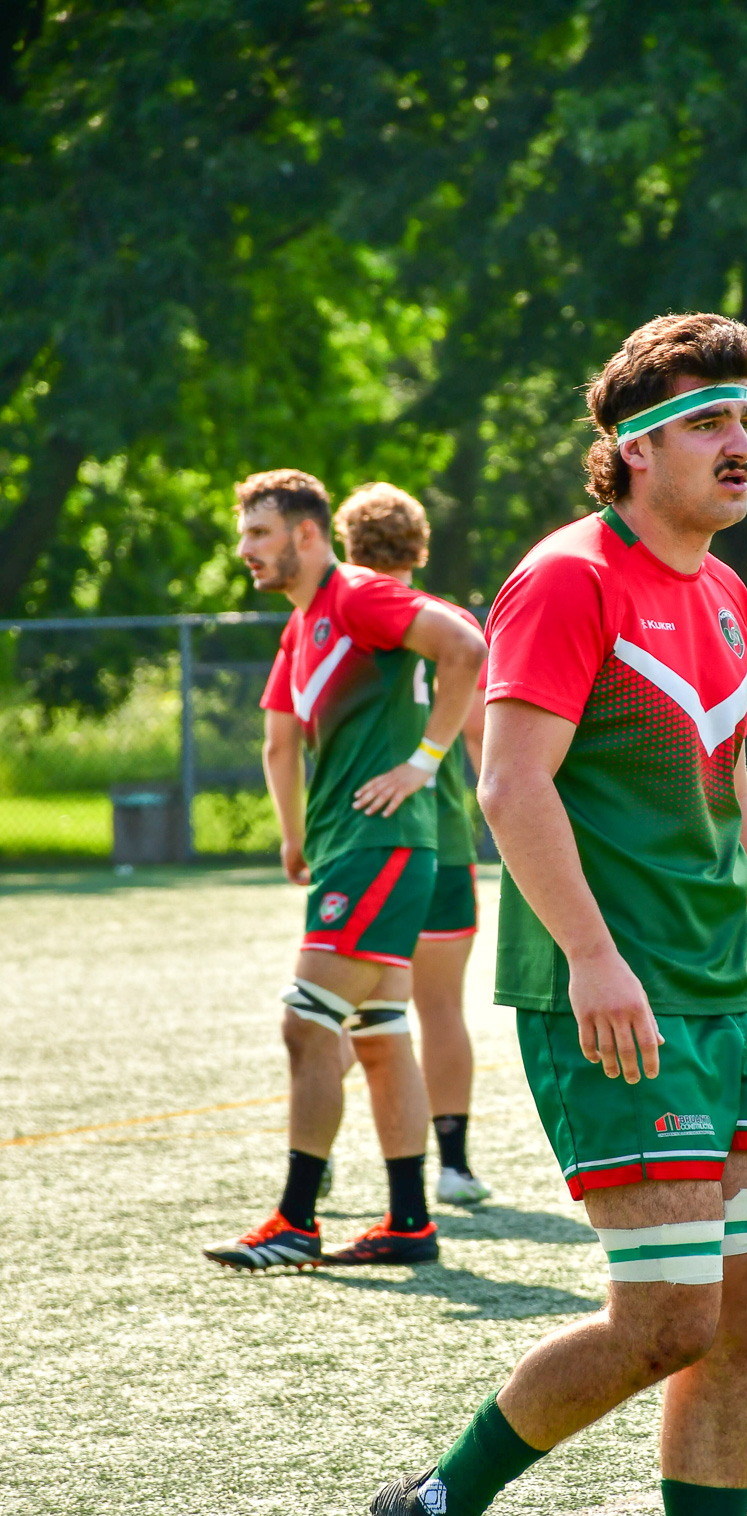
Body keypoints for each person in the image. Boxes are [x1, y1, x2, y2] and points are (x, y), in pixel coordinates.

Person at [368, 315, 747, 1516]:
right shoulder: (568, 580)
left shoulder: (723, 596)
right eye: (713, 423)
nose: (740, 446)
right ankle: (436, 1507)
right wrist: (593, 959)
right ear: (636, 447)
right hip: (615, 1005)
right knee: (665, 1318)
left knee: (739, 1312)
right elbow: (511, 787)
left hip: (725, 1006)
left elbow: (735, 802)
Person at [202, 469, 486, 1273]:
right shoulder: (305, 623)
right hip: (349, 847)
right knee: (382, 1035)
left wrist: (423, 764)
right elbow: (279, 739)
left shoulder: (358, 595)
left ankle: (296, 1219)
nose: (244, 550)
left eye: (258, 533)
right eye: (244, 533)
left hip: (381, 845)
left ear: (305, 533)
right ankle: (408, 1223)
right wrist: (296, 840)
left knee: (306, 1020)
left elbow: (466, 645)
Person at [331, 481, 491, 1207]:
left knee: (342, 1002)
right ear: (419, 549)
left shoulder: (342, 620)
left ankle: (318, 1149)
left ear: (346, 548)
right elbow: (486, 736)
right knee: (440, 1007)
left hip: (369, 838)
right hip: (446, 839)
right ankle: (453, 1166)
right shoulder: (450, 623)